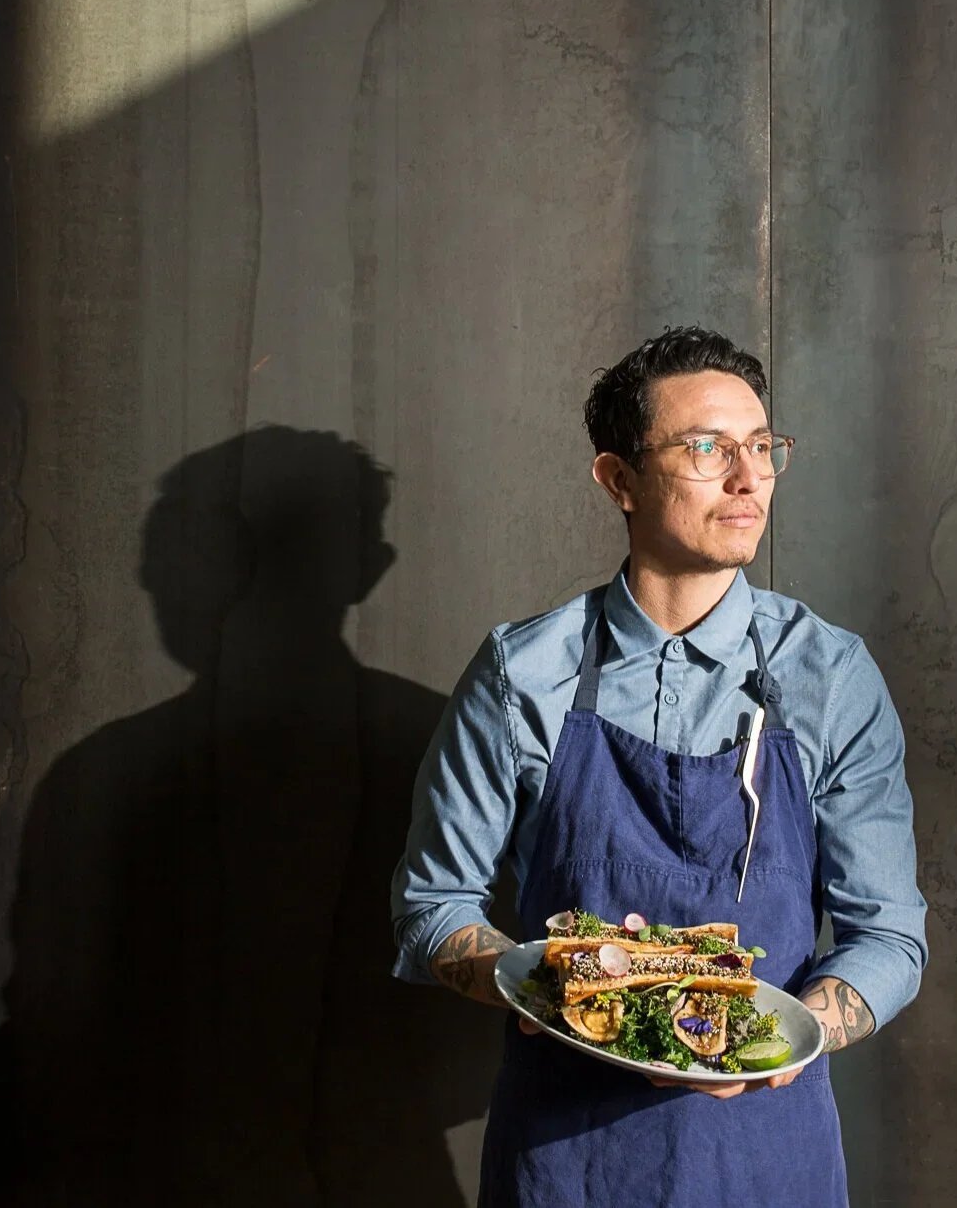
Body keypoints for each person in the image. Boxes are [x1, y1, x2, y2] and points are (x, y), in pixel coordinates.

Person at [390, 326, 927, 1208]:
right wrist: (566, 989)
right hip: (567, 1164)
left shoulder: (829, 676)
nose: (749, 478)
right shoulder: (523, 674)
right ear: (619, 479)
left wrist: (776, 1042)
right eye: (708, 448)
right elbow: (431, 907)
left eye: (761, 447)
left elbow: (890, 937)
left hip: (768, 1158)